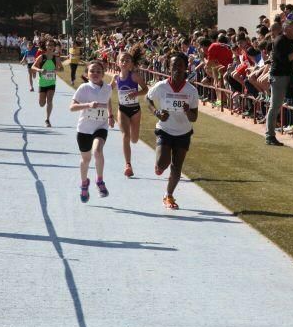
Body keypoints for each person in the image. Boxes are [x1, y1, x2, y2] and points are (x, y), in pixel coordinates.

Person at [146, 53, 199, 210]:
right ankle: (160, 164)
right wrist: (156, 113)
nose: (177, 69)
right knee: (163, 163)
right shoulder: (161, 86)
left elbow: (194, 117)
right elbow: (147, 99)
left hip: (183, 132)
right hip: (165, 129)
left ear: (185, 68)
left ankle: (168, 196)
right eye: (173, 65)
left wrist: (188, 110)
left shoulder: (191, 91)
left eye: (180, 65)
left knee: (177, 166)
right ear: (168, 68)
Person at [70, 60, 114, 202]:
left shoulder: (107, 88)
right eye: (92, 71)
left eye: (98, 71)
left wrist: (111, 115)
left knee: (98, 151)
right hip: (84, 129)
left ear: (103, 73)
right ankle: (84, 184)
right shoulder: (84, 88)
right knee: (86, 159)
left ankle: (99, 181)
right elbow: (72, 107)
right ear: (87, 74)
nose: (95, 74)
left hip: (101, 126)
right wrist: (88, 105)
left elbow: (108, 101)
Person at [111, 46, 148, 177]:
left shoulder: (134, 76)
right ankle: (128, 165)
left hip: (135, 110)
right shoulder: (116, 77)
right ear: (118, 63)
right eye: (122, 60)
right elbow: (108, 90)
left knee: (135, 139)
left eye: (128, 60)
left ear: (131, 63)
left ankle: (133, 138)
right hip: (123, 110)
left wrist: (136, 93)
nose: (125, 62)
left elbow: (146, 89)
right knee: (125, 136)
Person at [264, 20, 293, 146]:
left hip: (290, 75)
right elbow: (285, 59)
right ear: (285, 29)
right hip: (278, 77)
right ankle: (269, 136)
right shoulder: (279, 41)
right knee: (275, 106)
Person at [32, 39, 64, 127]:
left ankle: (47, 119)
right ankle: (43, 105)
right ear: (46, 46)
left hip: (51, 82)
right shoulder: (42, 57)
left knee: (50, 100)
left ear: (54, 47)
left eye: (51, 45)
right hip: (42, 83)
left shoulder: (56, 58)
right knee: (42, 104)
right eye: (48, 45)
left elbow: (62, 68)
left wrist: (56, 69)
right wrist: (39, 70)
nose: (50, 47)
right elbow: (33, 66)